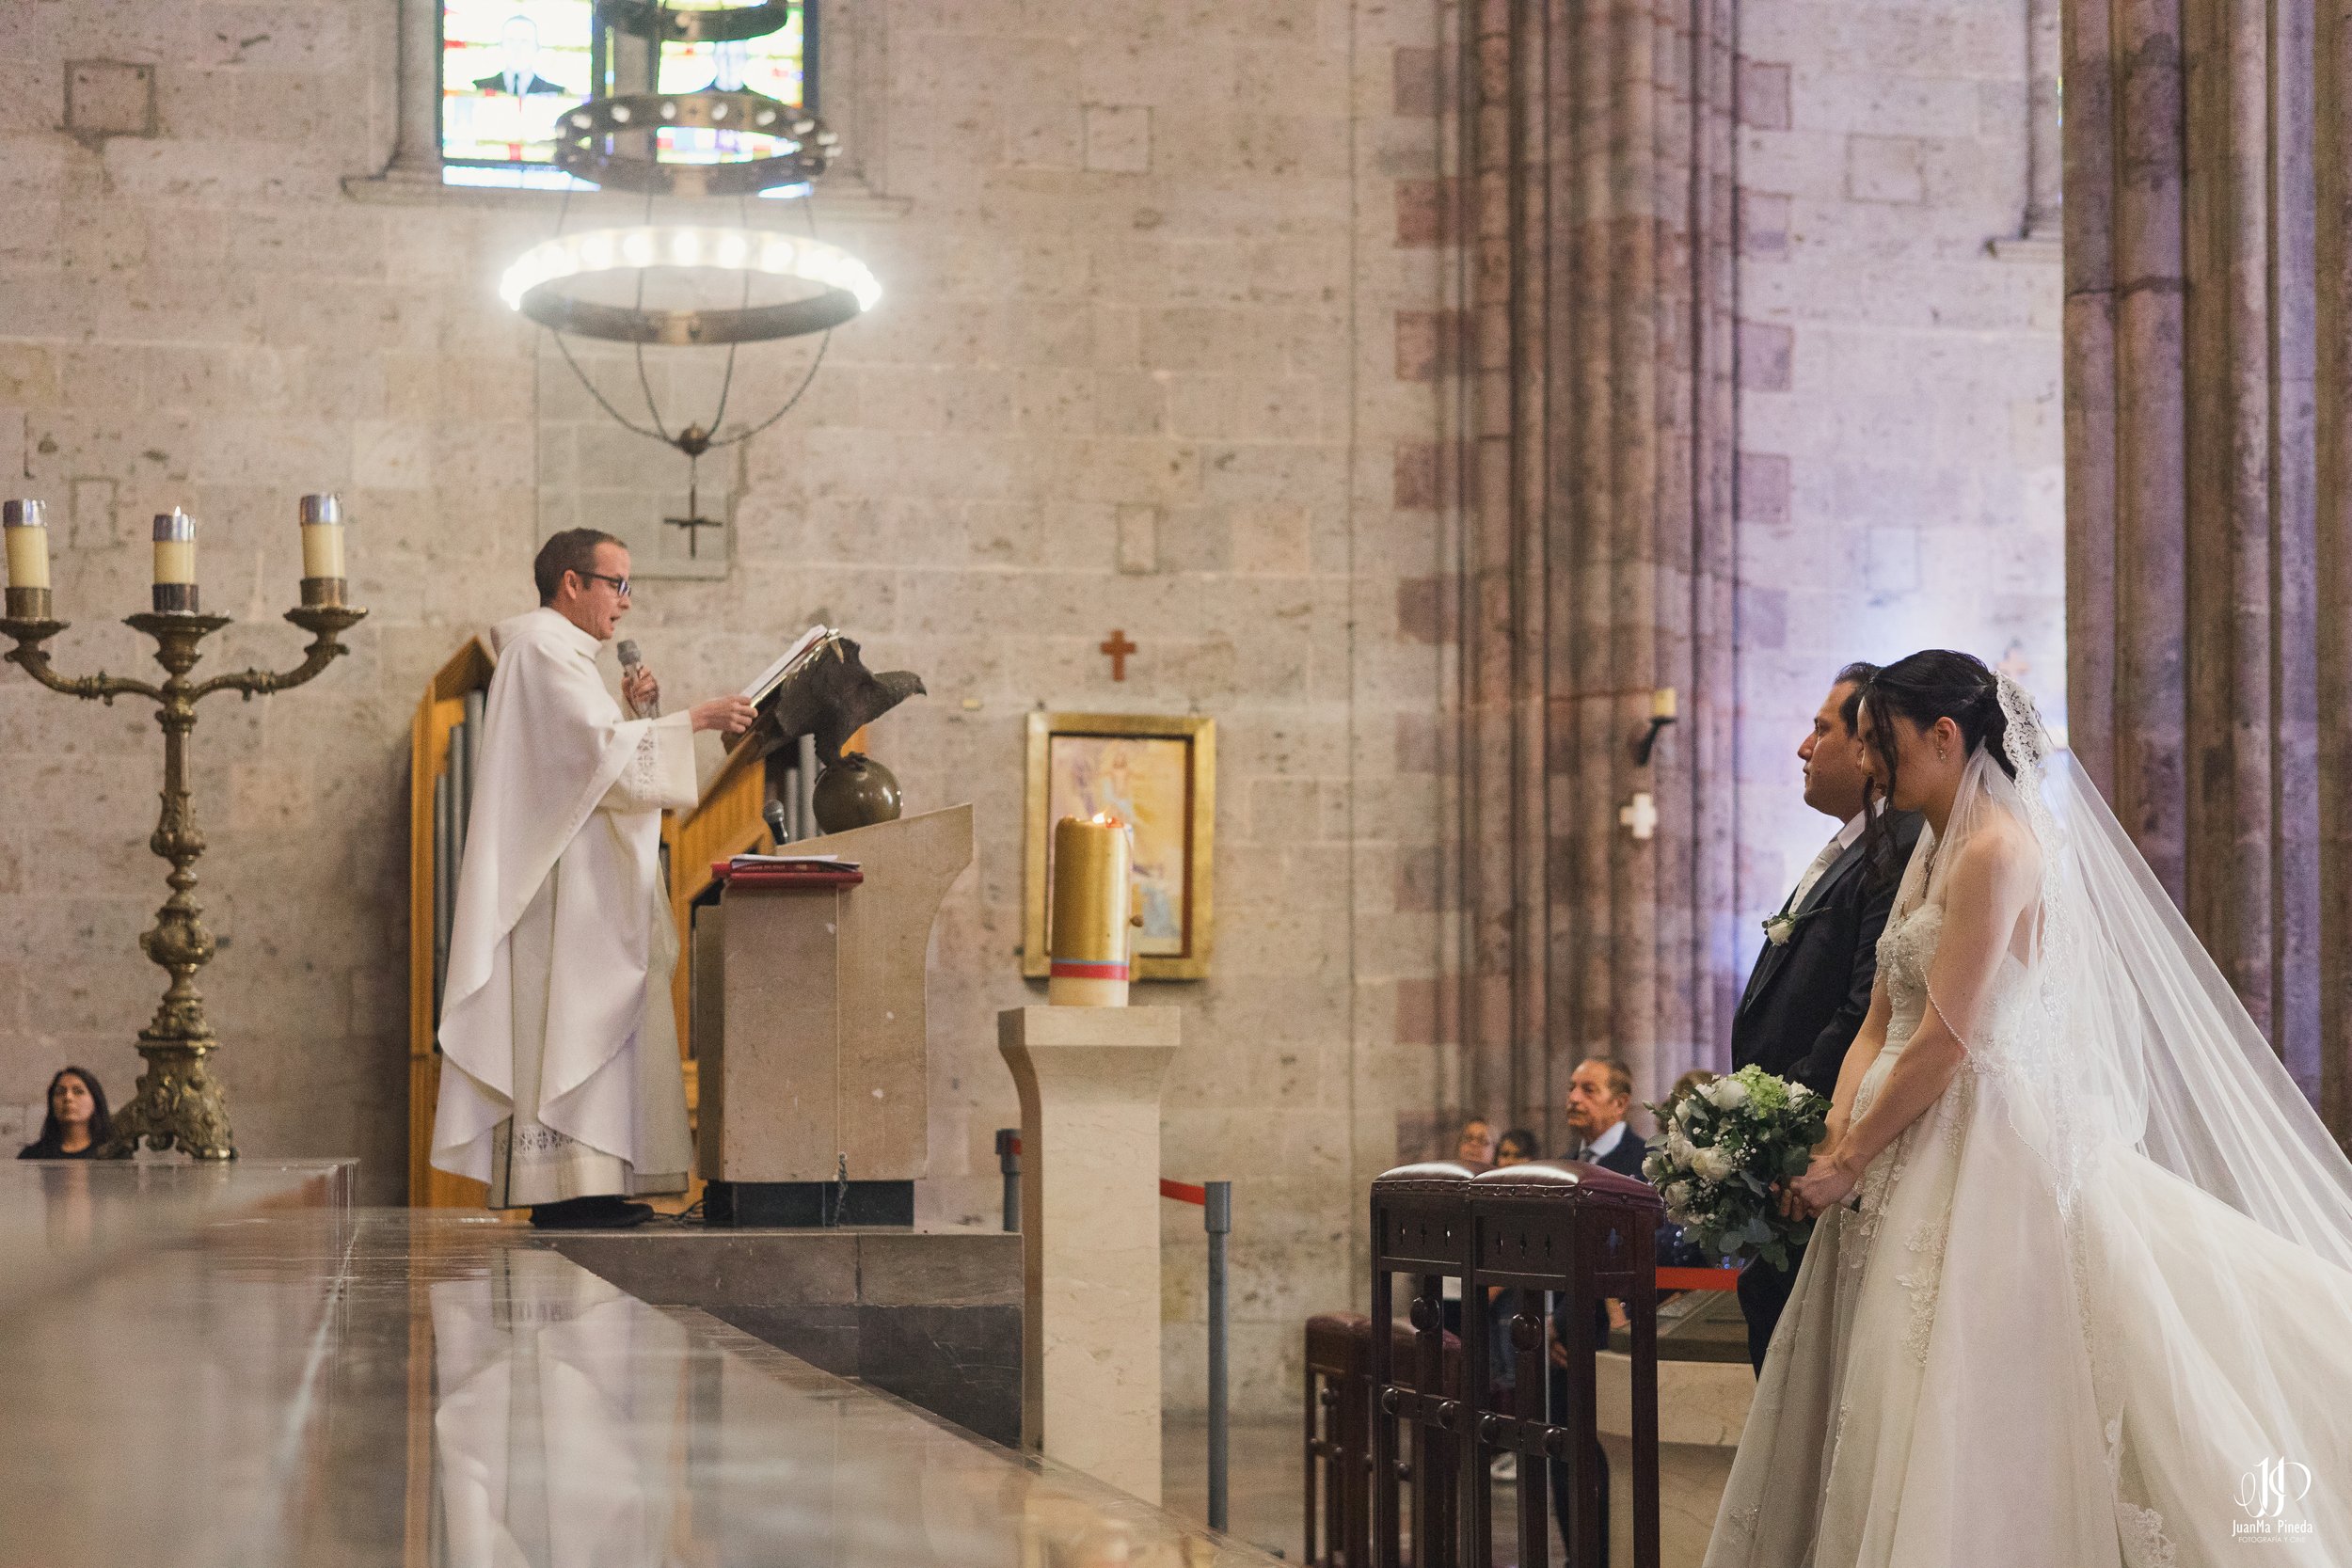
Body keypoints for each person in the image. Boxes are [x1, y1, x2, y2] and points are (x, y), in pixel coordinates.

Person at [1705, 651, 2352, 1566]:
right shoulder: (1925, 841)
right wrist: (1836, 1123)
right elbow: (1880, 1011)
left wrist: (1850, 1158)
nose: (1875, 767)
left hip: (1973, 1128)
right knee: (1877, 1379)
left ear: (1944, 735)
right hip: (1895, 1128)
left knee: (1958, 1369)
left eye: (1884, 744)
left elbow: (1946, 1036)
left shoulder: (1999, 847)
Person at [432, 530, 755, 1228]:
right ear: (571, 583)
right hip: (561, 894)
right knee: (573, 1031)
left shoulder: (563, 656)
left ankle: (594, 1186)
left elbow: (603, 767)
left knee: (593, 1032)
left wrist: (642, 714)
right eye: (618, 583)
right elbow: (598, 760)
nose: (626, 604)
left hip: (582, 887)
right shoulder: (543, 648)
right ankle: (571, 1193)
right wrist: (692, 719)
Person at [1728, 664, 1922, 1373]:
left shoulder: (1896, 846)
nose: (1804, 748)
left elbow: (1862, 1004)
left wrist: (1785, 1125)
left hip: (1815, 1146)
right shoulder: (1852, 844)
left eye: (1823, 729)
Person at [1549, 1056, 1645, 1564]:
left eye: (1588, 1089)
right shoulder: (1563, 1165)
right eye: (1571, 1086)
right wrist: (1547, 1317)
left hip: (1617, 1340)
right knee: (1564, 1457)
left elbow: (1649, 1252)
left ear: (1620, 1102)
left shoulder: (1644, 1162)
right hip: (1565, 1342)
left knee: (1612, 1462)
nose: (1573, 1098)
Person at [16, 1067, 112, 1159]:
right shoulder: (32, 1156)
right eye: (60, 1092)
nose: (68, 1097)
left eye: (78, 1091)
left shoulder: (113, 1154)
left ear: (95, 1100)